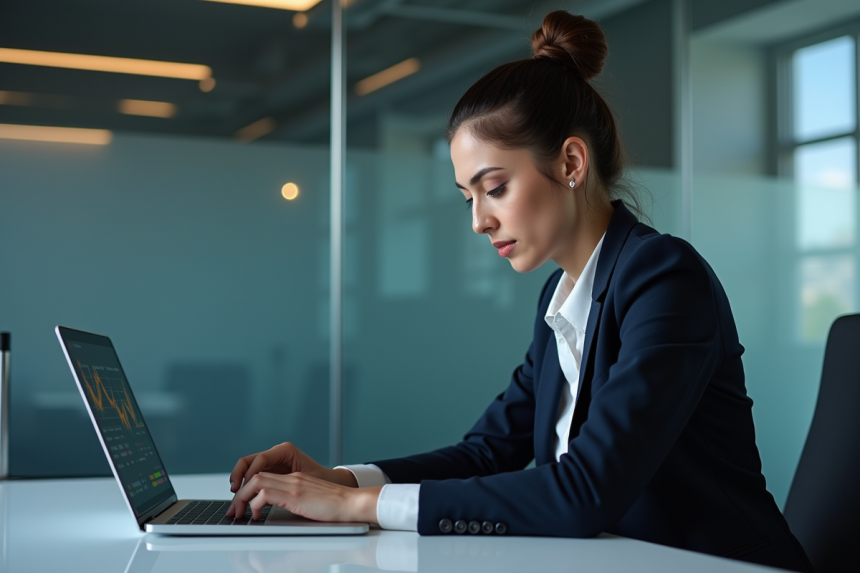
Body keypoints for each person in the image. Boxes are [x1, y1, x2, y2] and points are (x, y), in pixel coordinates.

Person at [226, 11, 813, 572]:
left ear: (572, 162)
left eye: (495, 188)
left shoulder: (664, 279)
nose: (478, 220)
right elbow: (486, 452)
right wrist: (340, 480)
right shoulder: (561, 299)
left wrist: (358, 510)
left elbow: (585, 490)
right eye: (468, 198)